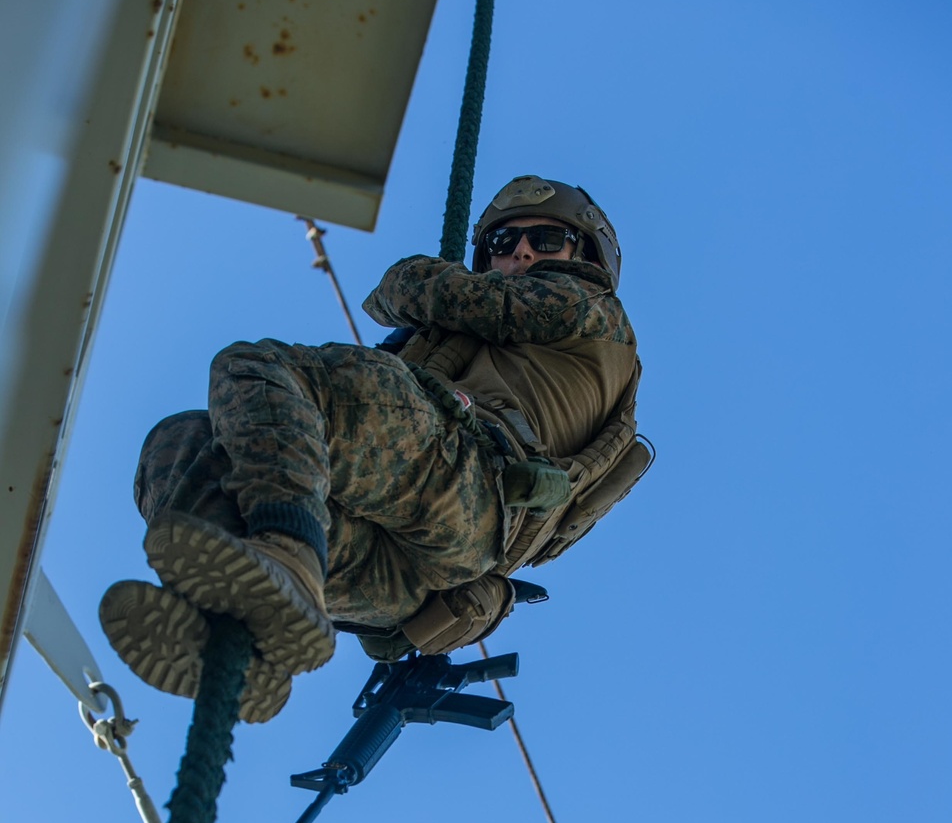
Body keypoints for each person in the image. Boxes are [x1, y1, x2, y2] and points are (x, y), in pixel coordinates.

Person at [99, 176, 649, 722]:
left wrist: (415, 290)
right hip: (414, 577)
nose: (523, 250)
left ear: (586, 254)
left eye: (547, 241)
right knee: (185, 443)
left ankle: (284, 549)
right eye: (503, 243)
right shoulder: (464, 335)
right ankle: (238, 637)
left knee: (260, 370)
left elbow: (405, 289)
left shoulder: (591, 309)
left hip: (465, 479)